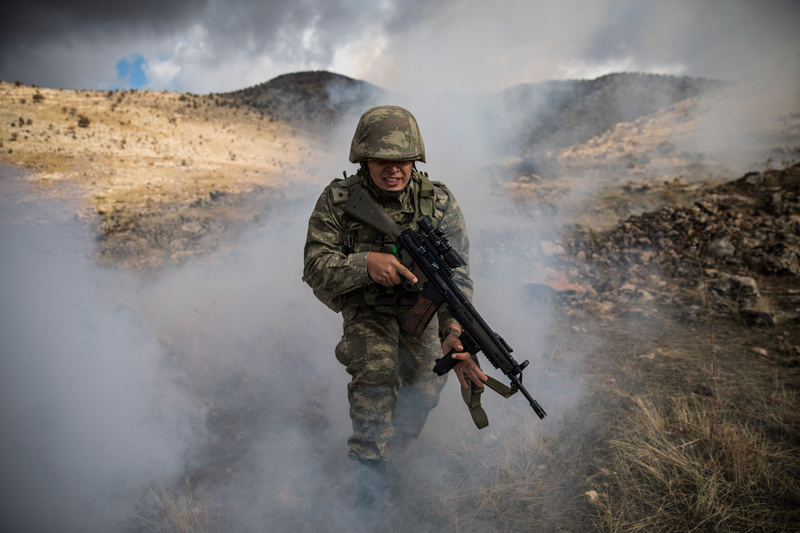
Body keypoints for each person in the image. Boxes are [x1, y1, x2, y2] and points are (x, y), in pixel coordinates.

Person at [302, 105, 486, 511]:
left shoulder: (437, 202)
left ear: (415, 159)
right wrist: (365, 264)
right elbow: (314, 267)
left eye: (402, 160)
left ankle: (393, 444)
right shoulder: (338, 200)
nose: (393, 170)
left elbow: (458, 278)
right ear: (362, 157)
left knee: (424, 385)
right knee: (377, 373)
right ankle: (371, 474)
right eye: (382, 160)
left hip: (421, 307)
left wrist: (453, 330)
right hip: (368, 308)